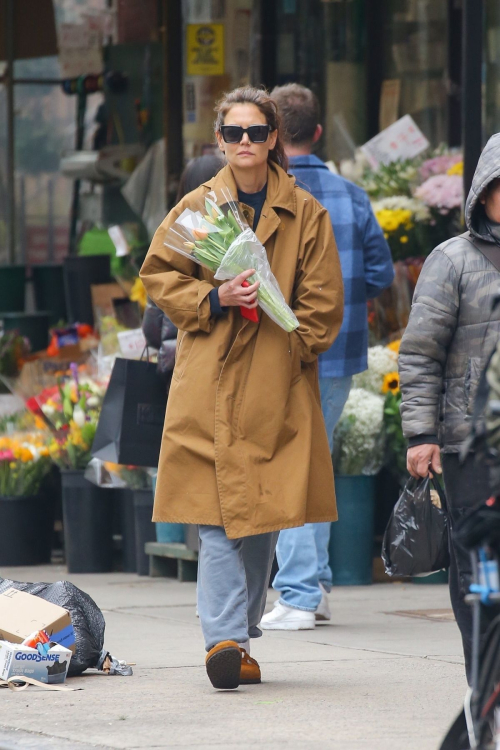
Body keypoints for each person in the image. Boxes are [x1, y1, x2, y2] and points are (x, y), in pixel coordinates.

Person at [140, 85, 344, 690]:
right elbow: (158, 273)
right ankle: (225, 640)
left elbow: (323, 306)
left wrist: (291, 344)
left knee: (262, 519)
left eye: (257, 132)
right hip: (208, 382)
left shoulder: (306, 212)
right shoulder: (198, 208)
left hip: (276, 387)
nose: (246, 143)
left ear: (275, 138)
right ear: (219, 140)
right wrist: (214, 297)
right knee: (216, 520)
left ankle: (239, 636)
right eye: (234, 134)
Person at [260, 83, 394, 631]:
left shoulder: (269, 193)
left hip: (283, 352)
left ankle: (298, 592)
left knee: (294, 468)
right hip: (339, 354)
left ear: (271, 133)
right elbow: (382, 273)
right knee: (315, 466)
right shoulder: (350, 194)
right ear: (317, 132)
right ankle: (313, 587)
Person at [399, 133, 500, 683]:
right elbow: (419, 355)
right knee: (478, 573)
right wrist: (421, 435)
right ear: (483, 194)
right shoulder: (452, 260)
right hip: (469, 449)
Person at [142, 155, 224, 376]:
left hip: (181, 365)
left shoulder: (172, 237)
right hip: (223, 362)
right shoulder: (235, 237)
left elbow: (151, 328)